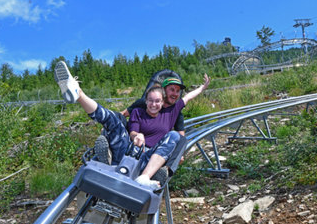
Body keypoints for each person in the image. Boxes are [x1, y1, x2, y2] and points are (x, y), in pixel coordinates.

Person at [54, 61, 210, 189]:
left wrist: (203, 88)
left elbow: (188, 98)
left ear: (162, 103)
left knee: (175, 136)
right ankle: (78, 94)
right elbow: (131, 128)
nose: (154, 104)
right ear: (146, 101)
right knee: (114, 118)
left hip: (148, 158)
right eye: (150, 101)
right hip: (128, 151)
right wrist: (135, 135)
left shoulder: (172, 112)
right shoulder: (138, 111)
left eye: (157, 101)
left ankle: (145, 177)